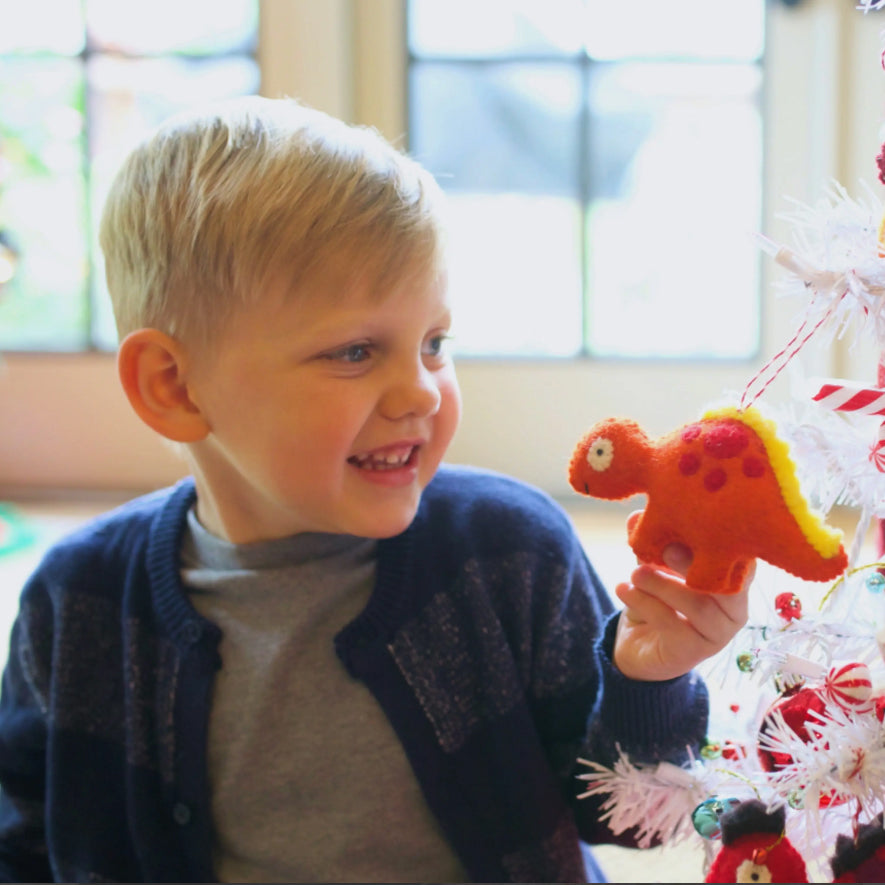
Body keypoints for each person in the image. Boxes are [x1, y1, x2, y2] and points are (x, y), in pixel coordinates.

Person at [0, 96, 750, 883]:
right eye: (355, 350)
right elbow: (24, 845)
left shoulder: (508, 550)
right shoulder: (76, 600)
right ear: (175, 386)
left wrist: (649, 680)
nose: (421, 391)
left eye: (434, 343)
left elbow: (626, 820)